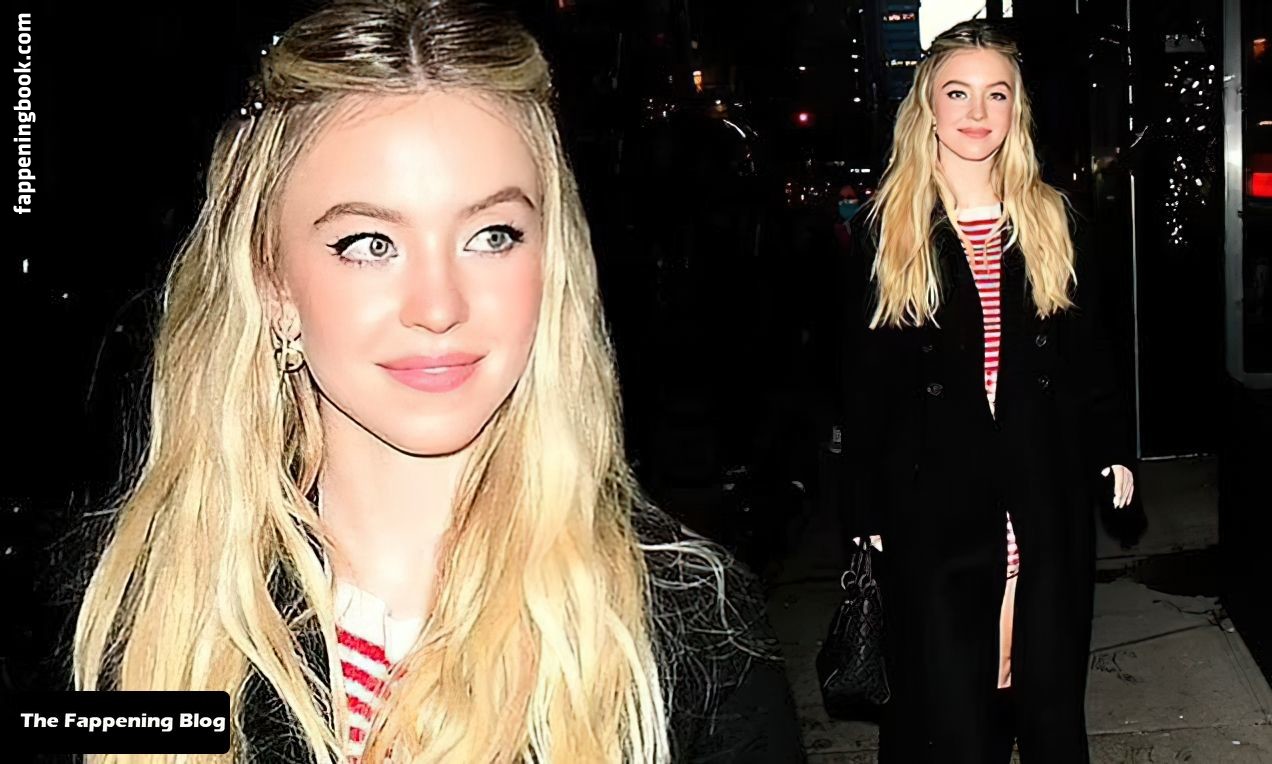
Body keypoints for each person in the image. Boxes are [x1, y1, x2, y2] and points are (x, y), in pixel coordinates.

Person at [69, 2, 805, 762]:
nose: (439, 305)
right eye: (368, 243)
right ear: (273, 283)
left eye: (492, 236)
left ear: (551, 263)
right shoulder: (134, 613)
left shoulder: (690, 628)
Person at [839, 20, 1135, 763]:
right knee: (948, 698)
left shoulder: (1051, 218)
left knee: (1038, 679)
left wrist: (1111, 447)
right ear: (927, 107)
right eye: (958, 93)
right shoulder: (889, 228)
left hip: (1041, 484)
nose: (977, 112)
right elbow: (862, 386)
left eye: (996, 94)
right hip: (934, 496)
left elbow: (1089, 355)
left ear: (1016, 109)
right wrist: (866, 506)